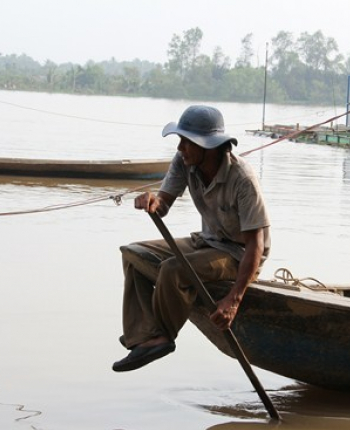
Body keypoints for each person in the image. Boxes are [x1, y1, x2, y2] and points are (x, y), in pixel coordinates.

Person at [112, 105, 271, 372]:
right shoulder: (185, 162)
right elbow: (163, 205)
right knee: (133, 254)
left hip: (239, 254)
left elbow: (255, 244)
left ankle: (161, 337)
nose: (180, 148)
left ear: (207, 146)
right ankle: (144, 335)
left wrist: (234, 299)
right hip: (207, 240)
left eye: (186, 142)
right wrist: (152, 201)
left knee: (173, 269)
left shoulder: (242, 179)